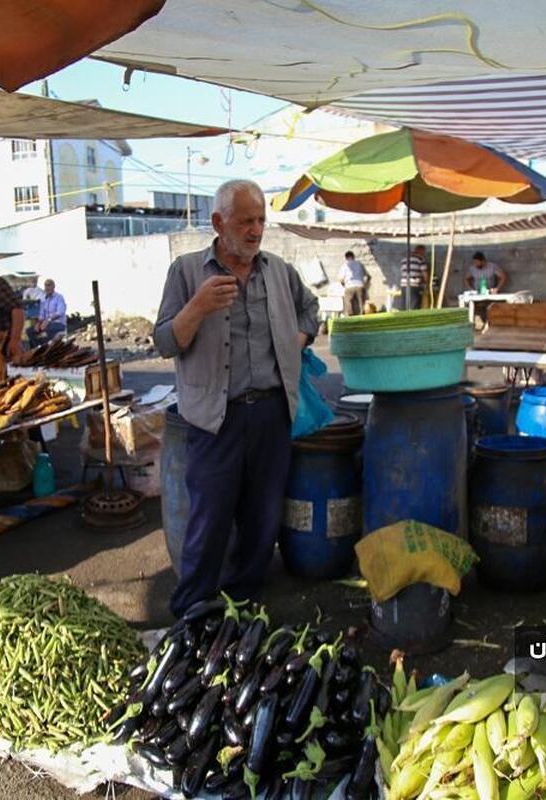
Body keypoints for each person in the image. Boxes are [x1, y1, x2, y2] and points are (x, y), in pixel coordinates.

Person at [154, 179, 319, 617]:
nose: (255, 229)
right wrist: (197, 308)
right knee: (208, 519)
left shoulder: (278, 270)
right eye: (246, 220)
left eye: (261, 219)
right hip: (214, 417)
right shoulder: (187, 272)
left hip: (270, 412)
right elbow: (164, 341)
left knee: (262, 519)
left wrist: (296, 339)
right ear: (218, 223)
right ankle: (191, 610)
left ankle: (243, 605)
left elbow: (311, 309)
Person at [337, 250, 368, 316]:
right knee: (361, 303)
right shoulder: (359, 264)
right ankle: (362, 315)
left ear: (346, 258)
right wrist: (365, 285)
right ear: (353, 256)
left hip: (349, 286)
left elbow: (340, 279)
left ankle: (350, 316)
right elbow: (367, 276)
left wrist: (344, 285)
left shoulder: (344, 265)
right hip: (360, 285)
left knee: (348, 302)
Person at [396, 244, 427, 310]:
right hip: (413, 284)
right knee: (414, 304)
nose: (424, 254)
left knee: (404, 304)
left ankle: (402, 318)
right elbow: (425, 273)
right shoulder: (420, 259)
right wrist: (426, 282)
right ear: (421, 251)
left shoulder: (404, 259)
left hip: (404, 284)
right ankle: (414, 318)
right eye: (424, 252)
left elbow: (402, 271)